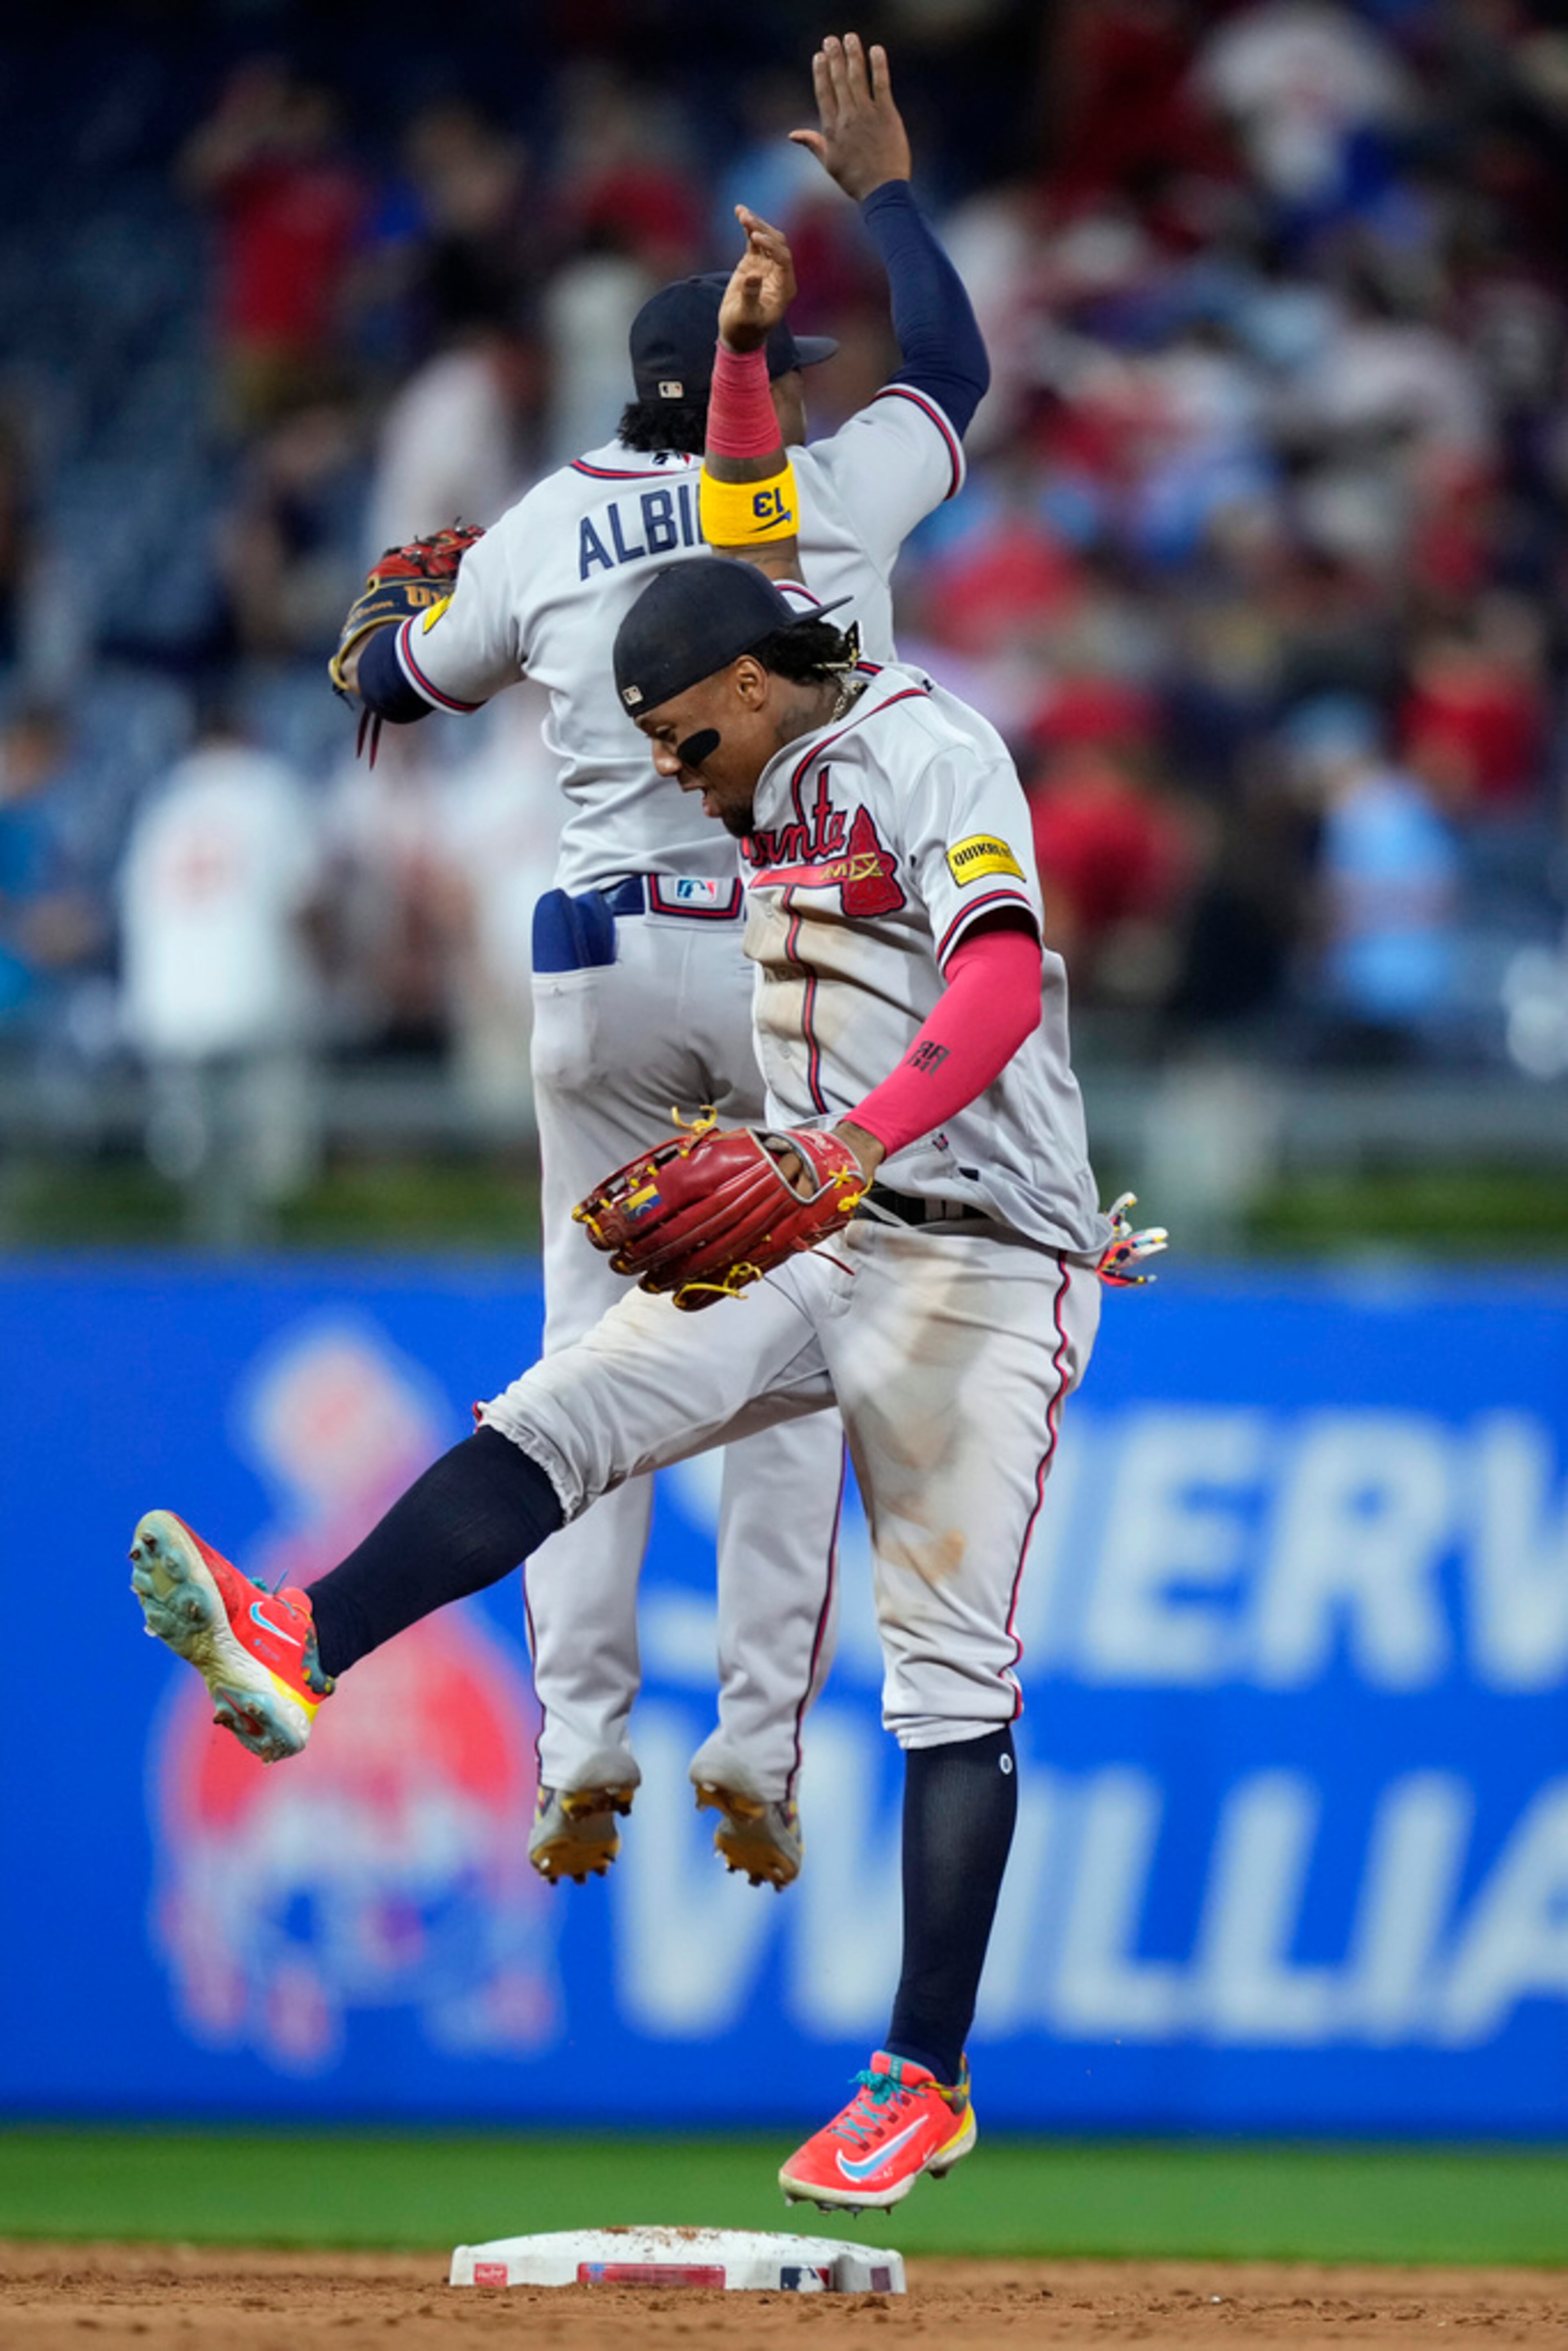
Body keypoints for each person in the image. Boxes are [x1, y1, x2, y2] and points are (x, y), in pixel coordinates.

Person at [132, 535, 1147, 2206]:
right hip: (820, 1221)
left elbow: (995, 981)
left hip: (980, 1255)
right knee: (567, 1407)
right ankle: (301, 1640)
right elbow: (733, 500)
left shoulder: (928, 748)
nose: (678, 774)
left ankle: (926, 2078)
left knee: (949, 1673)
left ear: (755, 681)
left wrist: (848, 1148)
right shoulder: (759, 762)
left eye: (688, 739)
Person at [331, 34, 991, 1892]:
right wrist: (887, 185)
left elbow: (392, 677)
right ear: (743, 384)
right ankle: (757, 1743)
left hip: (599, 982)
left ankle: (577, 1743)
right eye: (775, 368)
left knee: (585, 1364)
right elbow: (956, 368)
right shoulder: (823, 500)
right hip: (803, 974)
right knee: (791, 1350)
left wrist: (396, 618)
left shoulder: (542, 524)